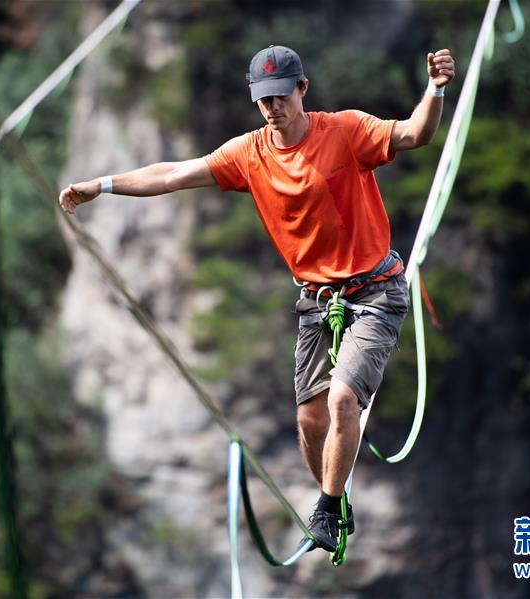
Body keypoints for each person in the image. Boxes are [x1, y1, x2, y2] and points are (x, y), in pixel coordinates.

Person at [59, 44, 455, 553]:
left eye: (281, 96)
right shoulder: (249, 154)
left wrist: (436, 88)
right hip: (316, 301)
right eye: (263, 99)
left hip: (375, 289)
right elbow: (174, 174)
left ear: (302, 89)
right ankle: (332, 498)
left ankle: (329, 508)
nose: (273, 107)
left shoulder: (347, 131)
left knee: (341, 399)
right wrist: (102, 185)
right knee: (310, 421)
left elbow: (414, 133)